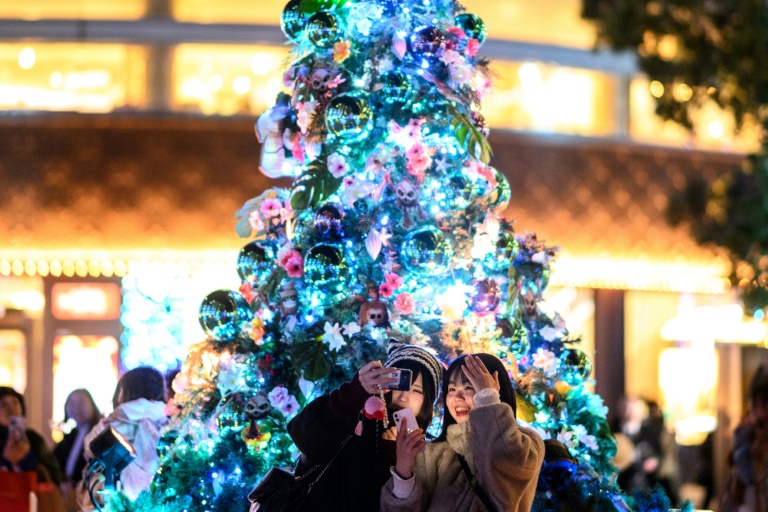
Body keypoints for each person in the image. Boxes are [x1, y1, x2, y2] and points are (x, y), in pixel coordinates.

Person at [285, 339, 443, 511]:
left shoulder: (427, 450)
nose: (404, 396)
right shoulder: (356, 418)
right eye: (400, 383)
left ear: (428, 400)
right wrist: (349, 396)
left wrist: (393, 462)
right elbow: (302, 434)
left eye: (417, 390)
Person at [381, 353, 545, 512]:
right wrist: (403, 472)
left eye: (469, 386)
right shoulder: (432, 453)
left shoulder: (527, 443)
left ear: (494, 390)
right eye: (451, 389)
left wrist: (487, 399)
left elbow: (506, 464)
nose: (457, 397)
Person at [76, 367, 168, 509]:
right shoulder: (168, 421)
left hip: (117, 502)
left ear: (123, 392)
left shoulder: (115, 422)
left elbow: (90, 447)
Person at [721, 368, 768, 512]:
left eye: (755, 404)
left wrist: (741, 433)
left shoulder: (757, 436)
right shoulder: (753, 432)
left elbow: (747, 473)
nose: (751, 408)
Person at [0, 386, 63, 486]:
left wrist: (27, 459)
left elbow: (55, 478)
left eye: (15, 402)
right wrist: (6, 461)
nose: (11, 408)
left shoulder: (34, 439)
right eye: (3, 405)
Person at [54, 389, 101, 511]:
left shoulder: (99, 433)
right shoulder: (70, 437)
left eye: (81, 403)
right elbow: (54, 462)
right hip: (68, 496)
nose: (76, 407)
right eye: (72, 403)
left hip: (90, 499)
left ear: (92, 405)